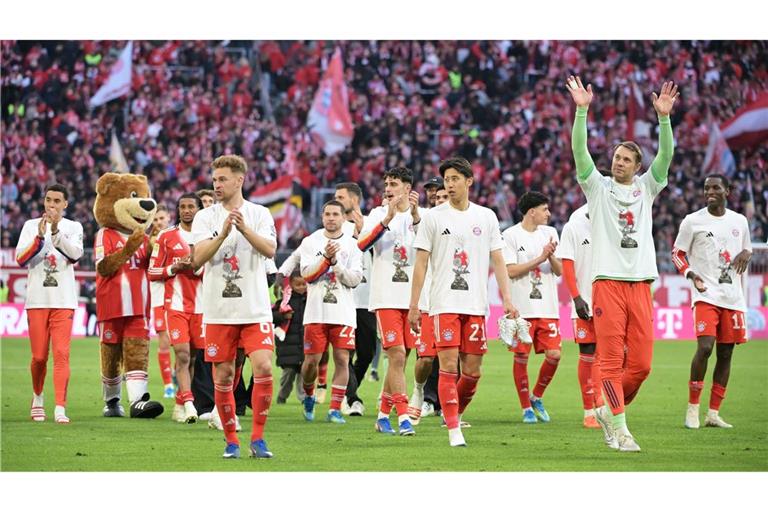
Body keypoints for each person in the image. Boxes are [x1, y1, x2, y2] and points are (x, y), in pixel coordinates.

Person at [567, 75, 679, 451]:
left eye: (626, 159)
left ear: (637, 166)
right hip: (607, 283)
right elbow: (579, 152)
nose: (618, 162)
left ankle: (608, 411)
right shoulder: (596, 188)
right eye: (616, 157)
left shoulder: (648, 188)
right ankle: (621, 429)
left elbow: (665, 157)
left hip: (642, 282)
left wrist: (663, 119)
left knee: (642, 366)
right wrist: (582, 112)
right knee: (611, 361)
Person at [408, 156, 518, 447]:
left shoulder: (486, 217)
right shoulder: (433, 218)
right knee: (446, 367)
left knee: (472, 372)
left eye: (456, 179)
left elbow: (499, 259)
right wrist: (414, 304)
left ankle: (453, 412)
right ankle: (454, 428)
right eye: (446, 179)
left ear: (469, 181)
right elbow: (420, 264)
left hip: (476, 305)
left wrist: (507, 299)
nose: (450, 184)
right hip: (443, 304)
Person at [191, 154, 277, 459]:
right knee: (224, 376)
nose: (216, 184)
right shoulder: (205, 218)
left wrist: (244, 229)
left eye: (222, 179)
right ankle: (231, 441)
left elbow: (269, 249)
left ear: (239, 180)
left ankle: (258, 438)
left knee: (265, 366)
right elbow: (197, 258)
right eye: (214, 179)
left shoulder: (260, 213)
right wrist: (223, 232)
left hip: (254, 309)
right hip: (218, 311)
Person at [672, 175, 752, 429]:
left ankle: (713, 413)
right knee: (705, 347)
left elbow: (747, 249)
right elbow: (678, 253)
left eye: (716, 187)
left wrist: (746, 253)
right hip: (705, 293)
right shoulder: (692, 221)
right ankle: (693, 409)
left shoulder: (739, 221)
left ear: (727, 191)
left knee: (726, 353)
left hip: (733, 296)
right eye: (706, 188)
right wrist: (690, 274)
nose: (710, 191)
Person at [358, 166, 425, 435]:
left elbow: (428, 248)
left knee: (402, 358)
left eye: (394, 184)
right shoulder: (376, 214)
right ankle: (403, 416)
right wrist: (386, 218)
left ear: (407, 189)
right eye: (386, 183)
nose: (388, 188)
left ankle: (383, 414)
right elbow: (362, 245)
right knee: (395, 354)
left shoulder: (422, 216)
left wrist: (418, 215)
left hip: (412, 299)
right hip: (386, 297)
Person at [15, 184, 83, 423]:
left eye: (56, 201)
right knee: (39, 357)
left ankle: (60, 408)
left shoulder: (74, 227)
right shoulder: (30, 226)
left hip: (64, 301)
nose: (51, 205)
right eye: (48, 200)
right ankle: (38, 397)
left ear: (65, 204)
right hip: (37, 301)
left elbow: (75, 255)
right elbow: (21, 259)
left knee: (62, 354)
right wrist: (39, 238)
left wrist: (55, 233)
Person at [298, 200, 363, 424]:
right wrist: (325, 259)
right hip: (316, 312)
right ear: (322, 216)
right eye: (327, 214)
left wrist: (336, 264)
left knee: (342, 359)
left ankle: (334, 408)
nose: (331, 218)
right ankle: (309, 395)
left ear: (343, 218)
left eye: (336, 214)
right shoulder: (310, 241)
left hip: (343, 313)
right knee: (311, 362)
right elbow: (306, 275)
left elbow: (354, 280)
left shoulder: (353, 245)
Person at [503, 191, 563, 424]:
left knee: (555, 355)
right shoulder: (510, 235)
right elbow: (511, 271)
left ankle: (537, 396)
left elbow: (558, 271)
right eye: (545, 209)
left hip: (548, 307)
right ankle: (526, 407)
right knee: (520, 358)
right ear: (532, 212)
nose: (548, 214)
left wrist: (550, 257)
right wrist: (539, 258)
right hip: (521, 309)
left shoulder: (550, 234)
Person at [149, 193, 205, 424]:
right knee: (182, 354)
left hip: (202, 307)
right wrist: (174, 269)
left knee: (192, 358)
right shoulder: (166, 236)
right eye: (182, 206)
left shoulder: (209, 237)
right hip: (176, 305)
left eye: (191, 206)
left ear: (199, 209)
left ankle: (181, 403)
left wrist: (196, 268)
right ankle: (190, 404)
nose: (186, 210)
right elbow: (152, 272)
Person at [555, 204, 608, 429]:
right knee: (588, 353)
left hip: (612, 302)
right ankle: (590, 411)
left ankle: (604, 403)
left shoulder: (618, 223)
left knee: (613, 355)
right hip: (586, 300)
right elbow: (567, 265)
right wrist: (576, 297)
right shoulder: (574, 226)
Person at [334, 182, 376, 415]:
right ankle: (351, 398)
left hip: (368, 299)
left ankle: (347, 392)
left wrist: (364, 234)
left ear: (354, 199)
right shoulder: (336, 228)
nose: (336, 200)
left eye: (340, 196)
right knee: (344, 352)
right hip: (345, 299)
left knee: (367, 353)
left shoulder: (372, 223)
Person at [415, 178, 449, 421]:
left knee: (451, 359)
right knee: (427, 357)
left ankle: (443, 404)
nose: (438, 200)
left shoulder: (469, 222)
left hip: (455, 301)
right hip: (429, 300)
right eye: (436, 196)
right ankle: (423, 396)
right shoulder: (427, 221)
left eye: (442, 196)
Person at [149, 204, 175, 399]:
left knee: (182, 344)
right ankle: (168, 385)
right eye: (155, 219)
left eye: (161, 219)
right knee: (164, 341)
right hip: (158, 297)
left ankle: (176, 374)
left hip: (178, 296)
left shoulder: (178, 237)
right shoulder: (149, 241)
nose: (158, 222)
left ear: (169, 218)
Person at [273, 270, 307, 404]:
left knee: (304, 373)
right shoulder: (283, 302)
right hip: (288, 346)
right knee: (288, 374)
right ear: (291, 284)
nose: (301, 287)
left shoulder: (310, 300)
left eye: (304, 284)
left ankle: (304, 398)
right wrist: (282, 316)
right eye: (298, 284)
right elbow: (272, 317)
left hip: (305, 344)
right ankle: (282, 396)